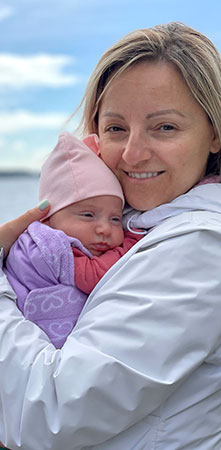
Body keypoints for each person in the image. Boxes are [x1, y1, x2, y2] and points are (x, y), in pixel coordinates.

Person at [0, 21, 221, 450]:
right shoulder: (135, 226)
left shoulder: (204, 249)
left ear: (215, 133)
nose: (133, 153)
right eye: (116, 128)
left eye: (165, 128)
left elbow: (50, 411)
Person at [3, 131, 143, 348]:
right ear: (48, 219)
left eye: (116, 218)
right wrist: (132, 241)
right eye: (88, 215)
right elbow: (93, 275)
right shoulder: (49, 246)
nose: (105, 228)